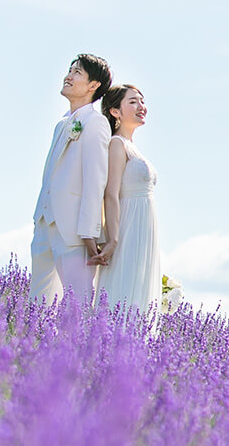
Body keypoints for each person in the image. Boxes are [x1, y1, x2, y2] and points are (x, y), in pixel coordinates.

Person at [30, 54, 113, 304]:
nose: (69, 76)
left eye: (77, 73)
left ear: (93, 85)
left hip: (74, 231)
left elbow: (95, 179)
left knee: (78, 304)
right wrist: (38, 220)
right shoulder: (62, 124)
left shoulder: (95, 122)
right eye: (70, 70)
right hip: (45, 224)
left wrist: (89, 232)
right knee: (38, 302)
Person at [91, 84, 160, 312]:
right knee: (124, 291)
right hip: (127, 228)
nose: (141, 107)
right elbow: (110, 194)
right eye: (132, 102)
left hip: (145, 229)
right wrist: (113, 239)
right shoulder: (117, 144)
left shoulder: (132, 147)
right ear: (115, 111)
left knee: (139, 296)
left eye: (142, 101)